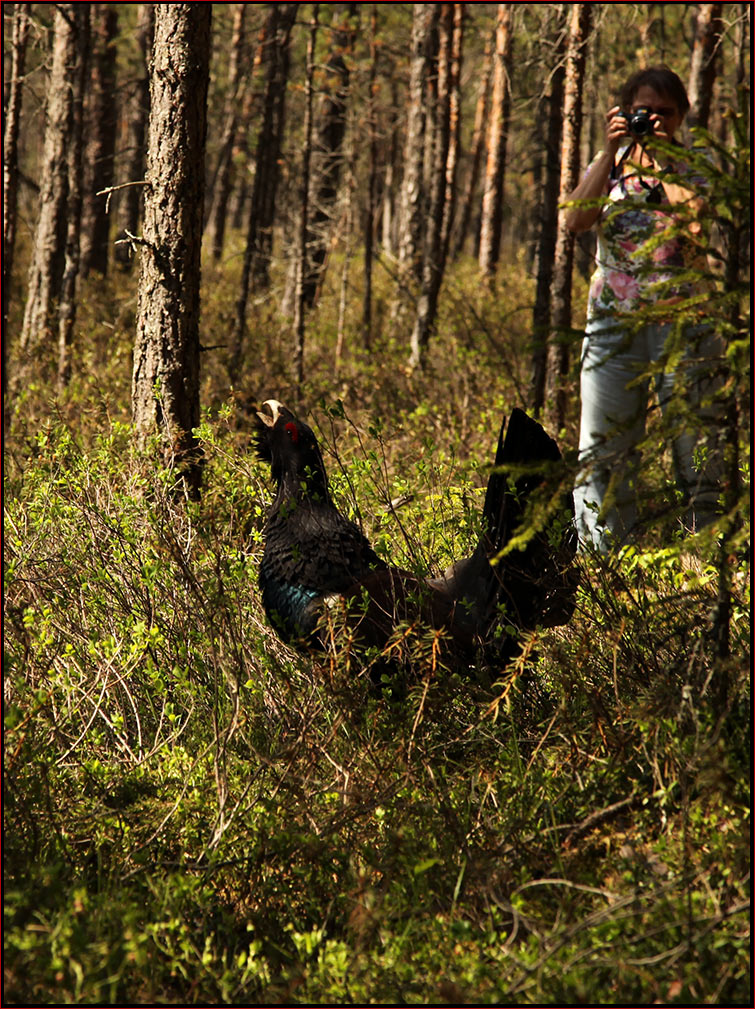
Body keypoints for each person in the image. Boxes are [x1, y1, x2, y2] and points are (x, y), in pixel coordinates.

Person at [566, 66, 722, 553]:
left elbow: (696, 225)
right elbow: (574, 220)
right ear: (623, 111)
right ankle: (601, 561)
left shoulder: (695, 163)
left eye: (664, 113)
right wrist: (611, 152)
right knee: (603, 450)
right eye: (642, 111)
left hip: (686, 327)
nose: (652, 120)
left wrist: (665, 160)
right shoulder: (608, 163)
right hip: (612, 324)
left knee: (698, 447)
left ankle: (711, 555)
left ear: (682, 117)